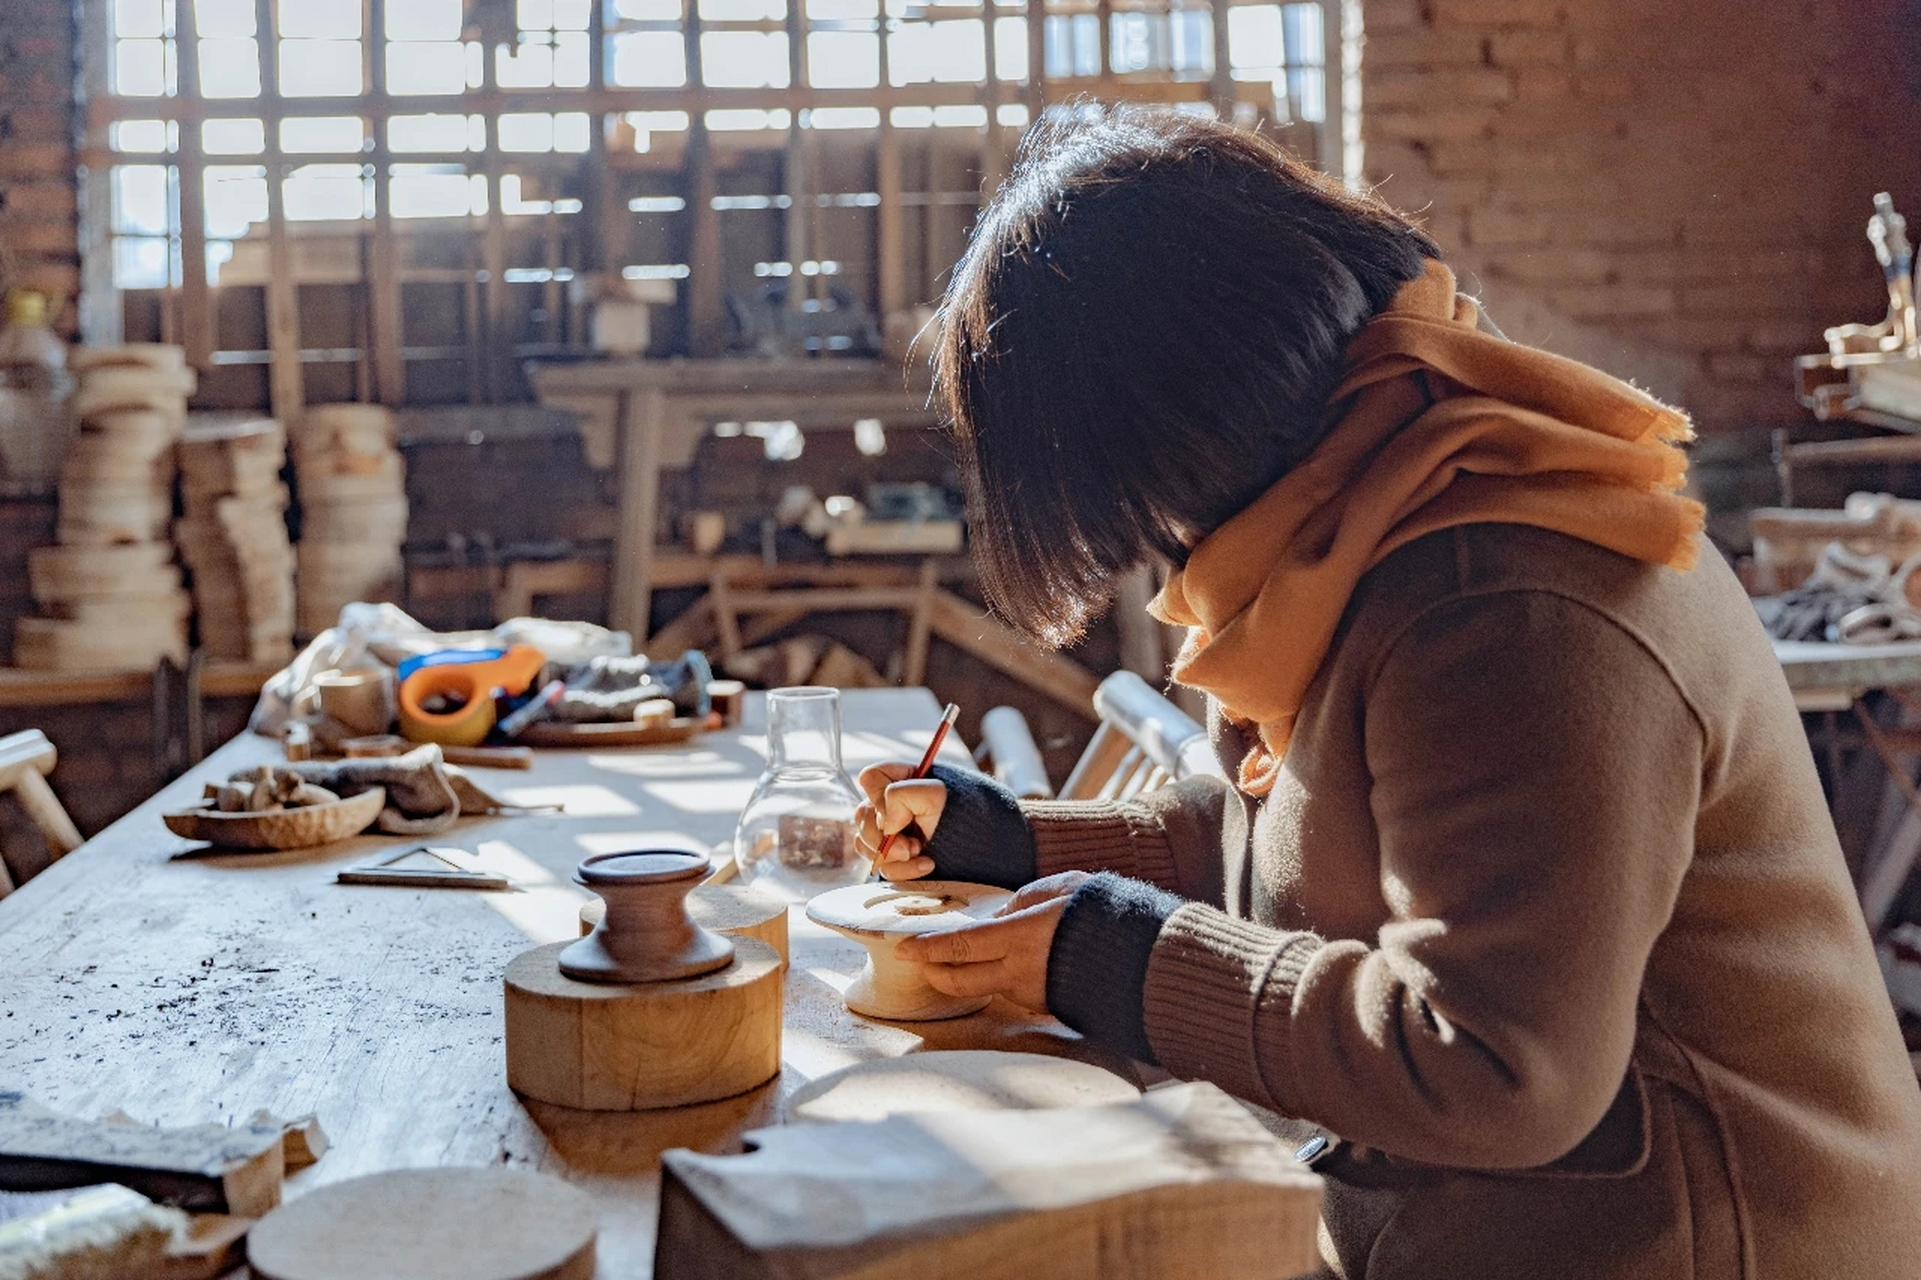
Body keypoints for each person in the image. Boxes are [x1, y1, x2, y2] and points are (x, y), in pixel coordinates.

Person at [853, 106, 1921, 1279]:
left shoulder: (1502, 601)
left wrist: (1106, 954)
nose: (1153, 544)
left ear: (1175, 425)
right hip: (1480, 1220)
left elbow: (1495, 1065)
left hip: (1693, 1242)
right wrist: (1002, 837)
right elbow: (1271, 834)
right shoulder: (1353, 516)